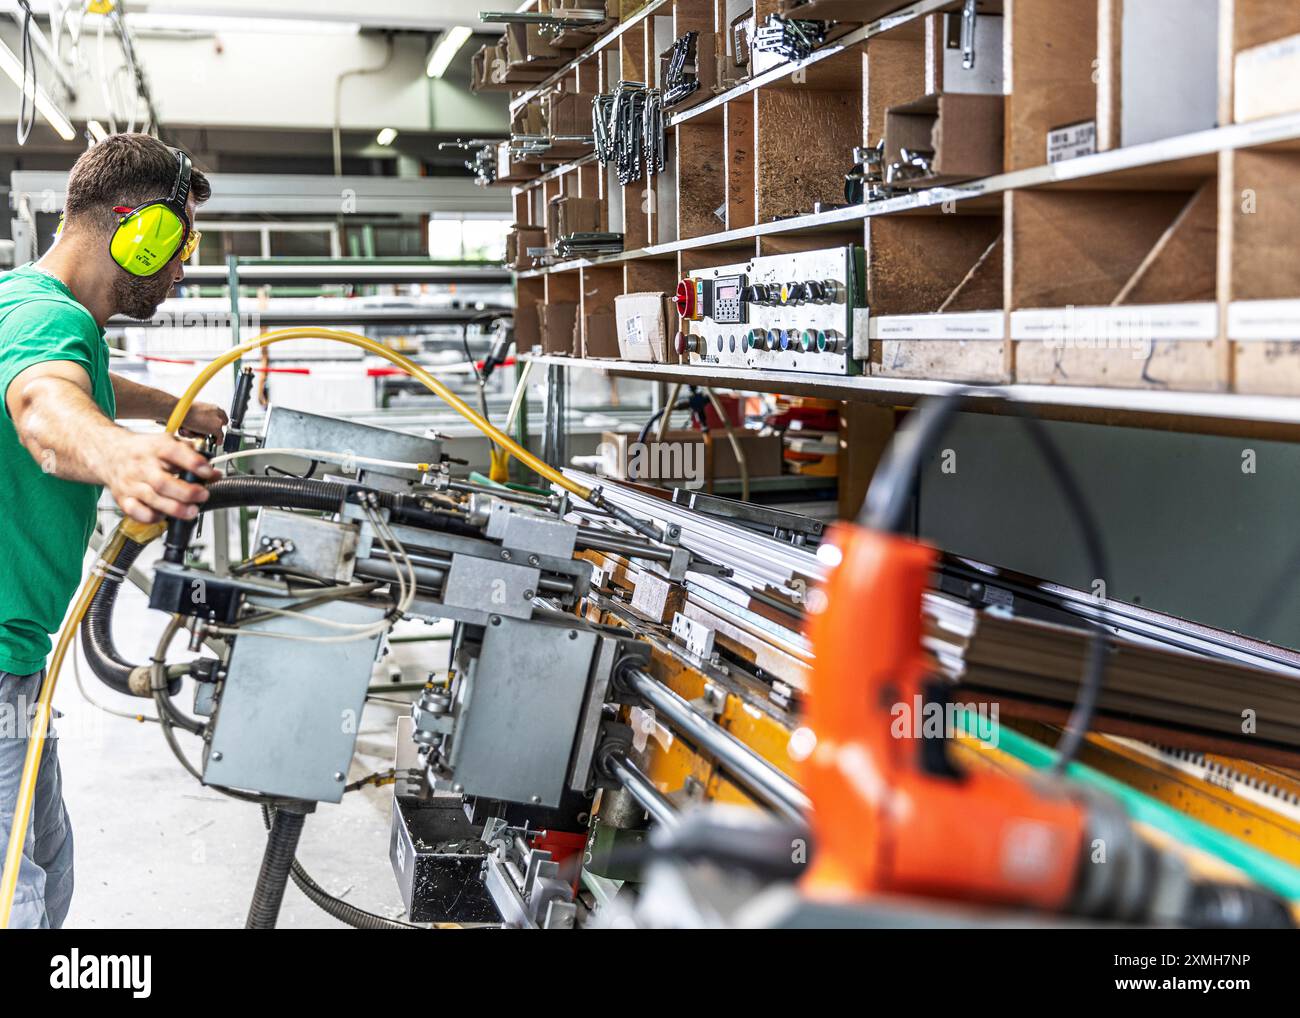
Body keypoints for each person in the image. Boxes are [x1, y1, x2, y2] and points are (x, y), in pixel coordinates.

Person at [0, 133, 228, 928]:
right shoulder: (41, 319)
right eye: (180, 241)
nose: (182, 264)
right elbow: (42, 403)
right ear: (140, 228)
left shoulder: (33, 303)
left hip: (16, 661)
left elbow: (77, 372)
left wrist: (175, 411)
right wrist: (121, 457)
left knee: (48, 870)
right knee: (20, 898)